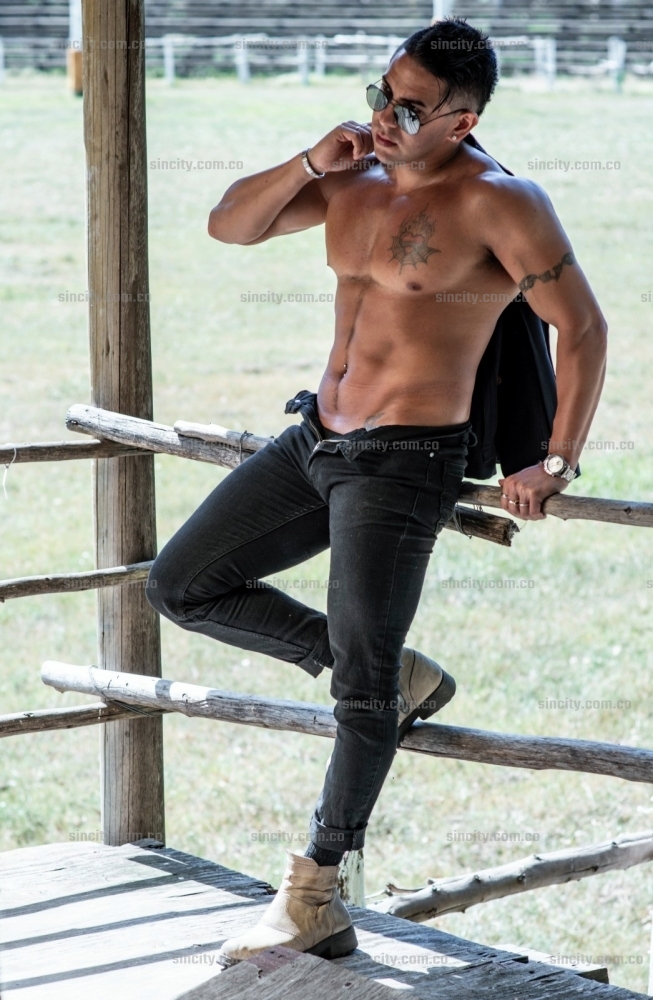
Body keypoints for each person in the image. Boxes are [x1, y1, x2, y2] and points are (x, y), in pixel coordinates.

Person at [147, 17, 607, 967]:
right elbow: (229, 224)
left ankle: (314, 895)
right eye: (380, 96)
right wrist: (306, 161)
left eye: (409, 108)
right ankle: (388, 672)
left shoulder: (498, 202)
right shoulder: (350, 176)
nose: (385, 118)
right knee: (181, 584)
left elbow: (583, 326)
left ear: (462, 120)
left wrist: (556, 462)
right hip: (315, 439)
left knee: (361, 693)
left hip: (405, 462)